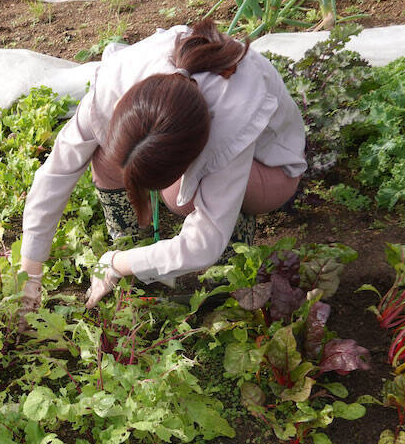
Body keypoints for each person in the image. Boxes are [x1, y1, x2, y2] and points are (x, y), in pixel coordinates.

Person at [18, 19, 306, 317]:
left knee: (182, 200)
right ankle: (130, 244)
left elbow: (203, 243)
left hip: (271, 168)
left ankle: (226, 274)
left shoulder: (231, 122)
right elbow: (56, 172)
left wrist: (116, 263)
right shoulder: (115, 84)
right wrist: (30, 272)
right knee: (106, 156)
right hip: (184, 134)